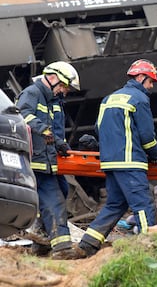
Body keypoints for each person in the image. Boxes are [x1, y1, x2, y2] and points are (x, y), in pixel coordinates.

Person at [78, 59, 157, 257]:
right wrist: (155, 155)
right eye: (151, 82)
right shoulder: (139, 99)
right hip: (130, 162)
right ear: (141, 78)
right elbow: (146, 135)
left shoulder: (108, 99)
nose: (151, 87)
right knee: (143, 204)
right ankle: (148, 249)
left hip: (109, 162)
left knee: (115, 205)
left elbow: (98, 129)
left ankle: (87, 244)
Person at [16, 61, 81, 259]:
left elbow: (53, 130)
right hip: (36, 160)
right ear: (52, 78)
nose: (64, 91)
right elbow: (21, 115)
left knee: (60, 191)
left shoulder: (53, 100)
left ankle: (40, 242)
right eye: (63, 86)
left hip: (49, 160)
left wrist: (60, 143)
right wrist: (43, 130)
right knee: (54, 200)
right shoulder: (32, 93)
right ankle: (62, 248)